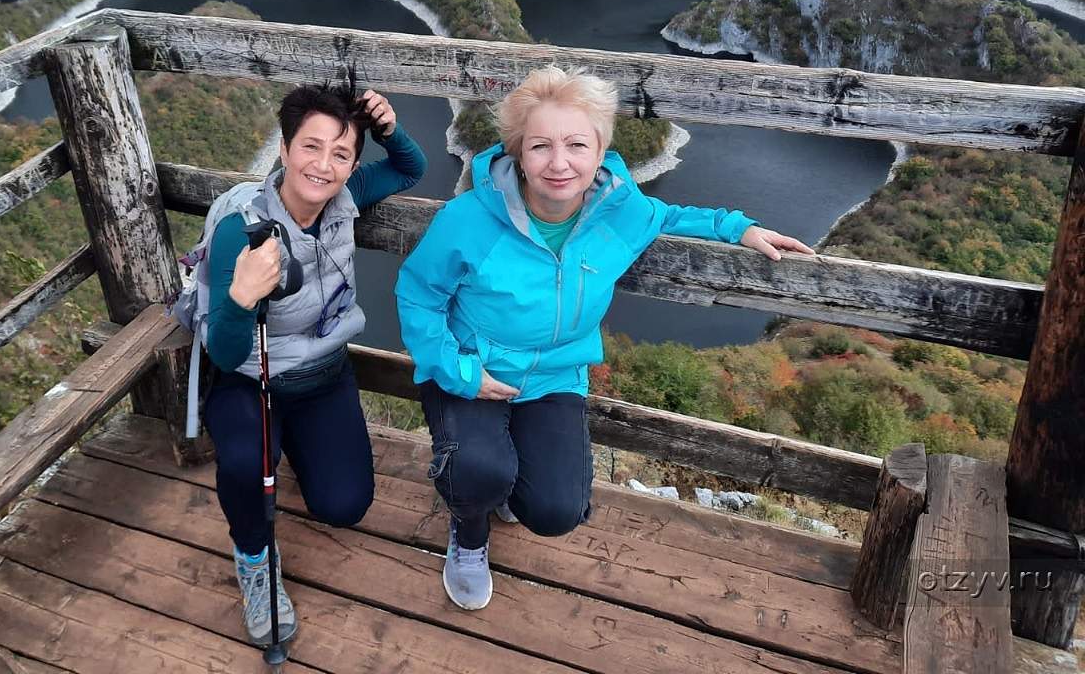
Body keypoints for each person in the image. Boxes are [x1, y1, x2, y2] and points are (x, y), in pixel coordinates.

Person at [394, 65, 813, 611]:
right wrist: (458, 372)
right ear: (517, 152)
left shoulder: (620, 210)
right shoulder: (468, 219)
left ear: (599, 152)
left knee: (556, 511)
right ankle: (469, 529)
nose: (559, 162)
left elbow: (669, 214)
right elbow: (418, 294)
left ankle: (497, 488)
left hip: (554, 377)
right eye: (540, 145)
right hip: (470, 367)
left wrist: (739, 228)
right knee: (477, 472)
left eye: (576, 144)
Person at [203, 80, 426, 644]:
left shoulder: (345, 198)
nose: (323, 166)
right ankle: (254, 558)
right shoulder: (242, 229)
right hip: (251, 380)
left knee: (344, 505)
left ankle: (291, 449)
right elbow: (224, 353)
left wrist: (387, 128)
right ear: (283, 149)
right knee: (245, 468)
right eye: (311, 146)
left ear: (352, 165)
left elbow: (409, 168)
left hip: (323, 377)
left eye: (341, 153)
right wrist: (240, 297)